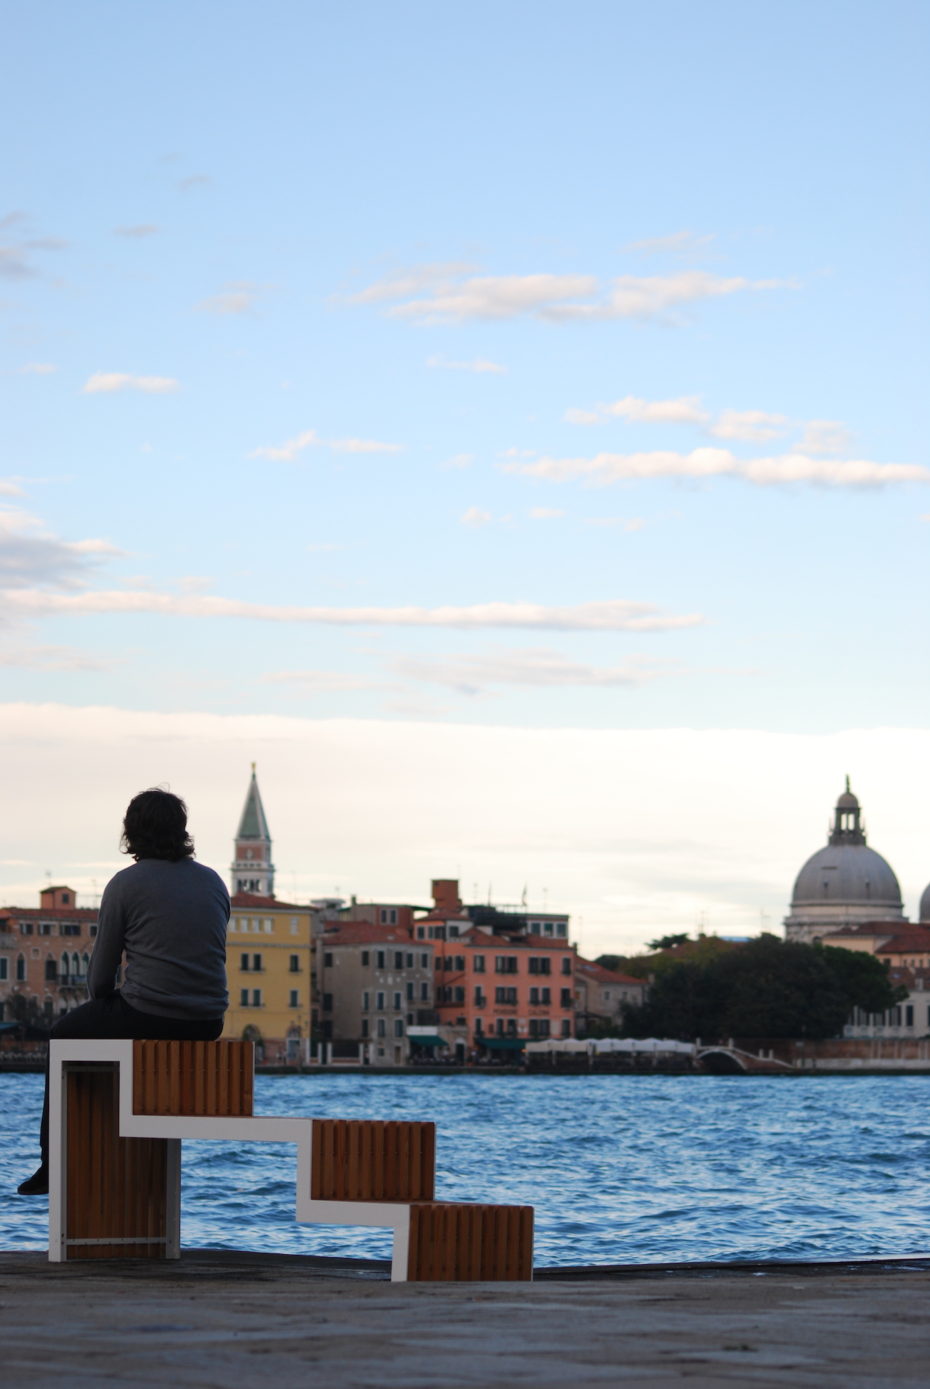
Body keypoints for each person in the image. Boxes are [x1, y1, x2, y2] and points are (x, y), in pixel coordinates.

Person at [17, 788, 230, 1196]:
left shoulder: (126, 884)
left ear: (131, 832)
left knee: (62, 1036)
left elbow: (100, 977)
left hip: (150, 1013)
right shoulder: (213, 881)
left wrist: (106, 1003)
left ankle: (51, 1162)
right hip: (208, 1022)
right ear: (181, 831)